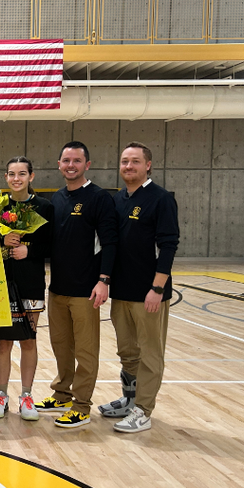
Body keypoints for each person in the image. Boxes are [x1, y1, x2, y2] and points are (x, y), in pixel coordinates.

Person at [34, 141, 118, 428]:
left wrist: (104, 280)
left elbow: (110, 243)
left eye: (77, 161)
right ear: (59, 164)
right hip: (58, 288)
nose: (71, 165)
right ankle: (62, 394)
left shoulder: (99, 198)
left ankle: (81, 406)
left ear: (87, 165)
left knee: (85, 351)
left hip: (86, 290)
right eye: (66, 160)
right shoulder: (57, 199)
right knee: (61, 347)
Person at [99, 142, 180, 433]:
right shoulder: (118, 199)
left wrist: (157, 289)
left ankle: (143, 411)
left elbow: (168, 245)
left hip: (149, 293)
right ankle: (129, 400)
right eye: (124, 162)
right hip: (122, 290)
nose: (128, 166)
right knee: (128, 351)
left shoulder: (160, 199)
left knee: (150, 353)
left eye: (135, 161)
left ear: (148, 165)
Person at [0, 157, 53, 421]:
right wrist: (2, 240)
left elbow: (53, 245)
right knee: (3, 342)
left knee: (28, 339)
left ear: (31, 176)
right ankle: (0, 394)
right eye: (12, 174)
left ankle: (26, 395)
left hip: (31, 282)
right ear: (5, 177)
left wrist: (30, 250)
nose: (17, 178)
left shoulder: (45, 207)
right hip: (1, 283)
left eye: (22, 173)